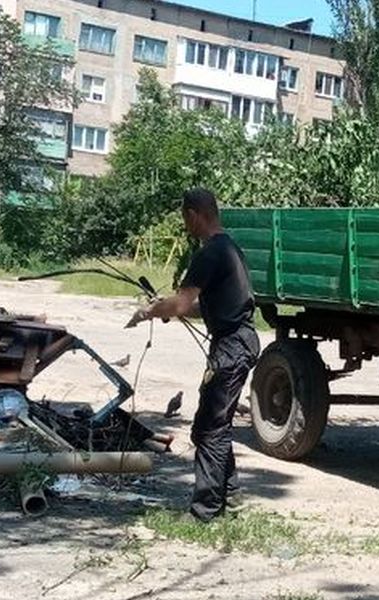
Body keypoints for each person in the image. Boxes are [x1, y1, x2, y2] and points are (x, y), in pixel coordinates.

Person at [126, 187, 260, 522]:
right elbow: (206, 306)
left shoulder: (210, 253)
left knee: (211, 429)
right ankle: (231, 496)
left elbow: (182, 302)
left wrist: (151, 310)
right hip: (237, 343)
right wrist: (173, 310)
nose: (185, 225)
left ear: (193, 214)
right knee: (211, 426)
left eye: (185, 218)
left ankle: (205, 512)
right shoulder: (229, 248)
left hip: (231, 348)